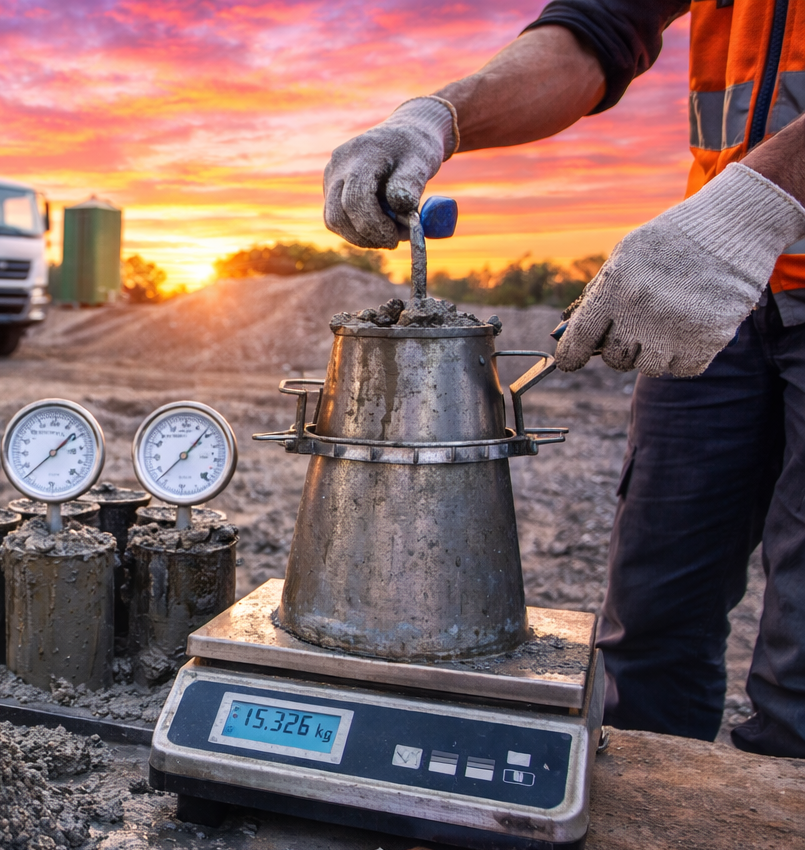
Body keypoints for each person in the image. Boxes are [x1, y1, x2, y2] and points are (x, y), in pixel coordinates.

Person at [323, 0, 805, 758]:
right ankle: (637, 841)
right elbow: (597, 33)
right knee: (650, 624)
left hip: (725, 246)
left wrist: (760, 201)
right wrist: (437, 117)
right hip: (715, 293)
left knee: (801, 666)